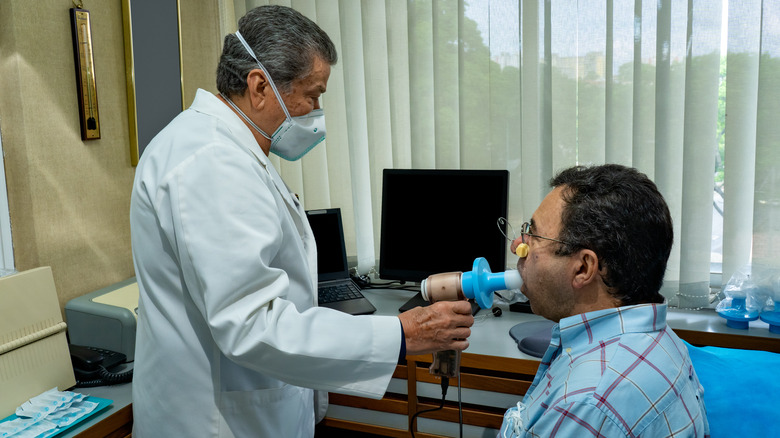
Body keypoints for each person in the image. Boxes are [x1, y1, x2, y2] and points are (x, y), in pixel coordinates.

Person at [129, 5, 474, 437]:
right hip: (217, 421)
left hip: (250, 405)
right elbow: (253, 325)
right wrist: (403, 333)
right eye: (312, 95)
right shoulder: (211, 162)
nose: (315, 112)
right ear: (259, 86)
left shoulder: (225, 150)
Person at [499, 164, 710, 437]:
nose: (518, 244)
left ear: (584, 268)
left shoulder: (587, 403)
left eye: (534, 234)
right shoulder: (656, 339)